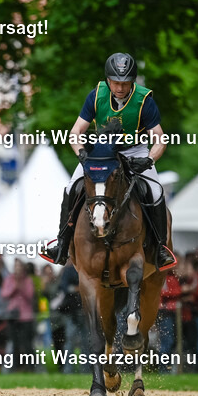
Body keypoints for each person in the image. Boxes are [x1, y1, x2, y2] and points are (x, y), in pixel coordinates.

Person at [40, 52, 176, 271]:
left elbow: (160, 139)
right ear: (108, 81)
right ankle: (62, 243)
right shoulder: (96, 96)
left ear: (132, 82)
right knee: (71, 188)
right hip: (102, 152)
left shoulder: (144, 101)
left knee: (156, 191)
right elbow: (76, 132)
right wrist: (81, 153)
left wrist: (148, 160)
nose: (120, 88)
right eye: (115, 82)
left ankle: (160, 248)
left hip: (134, 151)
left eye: (125, 83)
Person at [1, 259, 35, 370]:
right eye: (16, 266)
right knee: (14, 344)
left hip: (26, 317)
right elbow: (4, 294)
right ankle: (14, 368)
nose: (17, 269)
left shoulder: (28, 280)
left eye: (19, 266)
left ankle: (31, 368)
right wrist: (14, 287)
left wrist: (21, 287)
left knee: (27, 344)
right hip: (13, 316)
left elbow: (30, 296)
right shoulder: (9, 279)